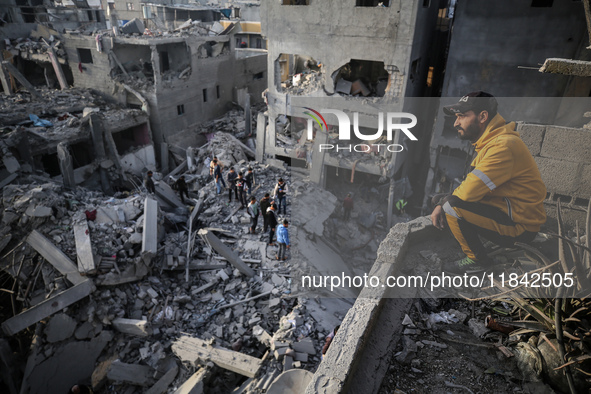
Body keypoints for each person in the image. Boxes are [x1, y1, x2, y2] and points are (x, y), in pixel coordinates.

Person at [430, 91, 546, 274]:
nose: (456, 123)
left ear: (482, 116)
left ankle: (477, 261)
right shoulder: (492, 142)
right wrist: (440, 200)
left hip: (520, 227)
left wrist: (442, 203)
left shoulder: (502, 146)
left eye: (461, 116)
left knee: (451, 206)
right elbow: (473, 188)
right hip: (507, 212)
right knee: (441, 199)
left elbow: (467, 193)